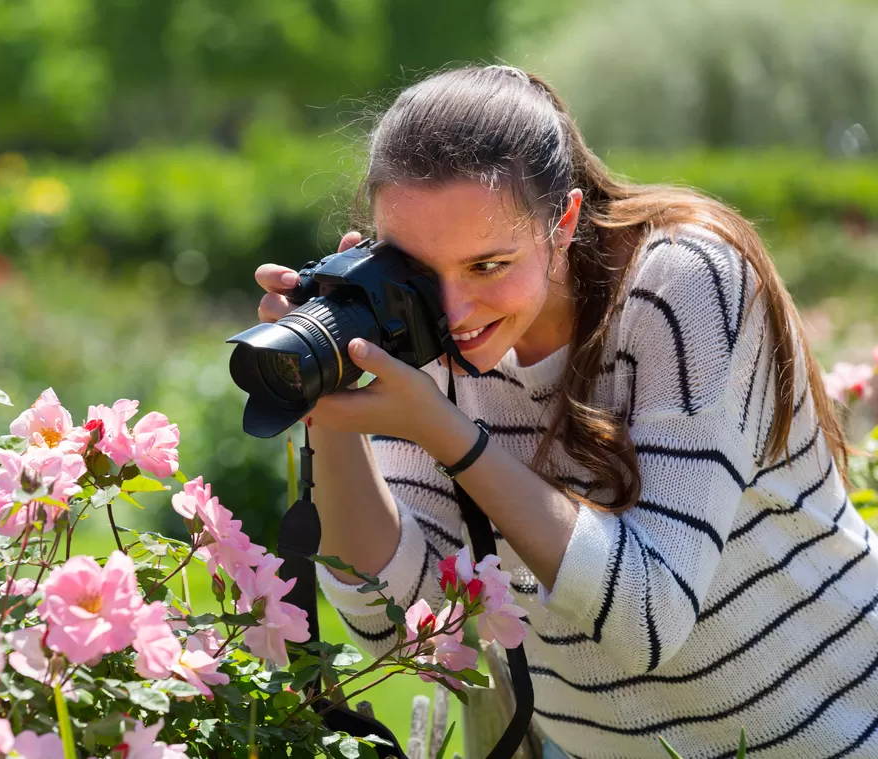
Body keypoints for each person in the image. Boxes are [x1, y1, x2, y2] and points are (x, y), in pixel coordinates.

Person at [254, 65, 878, 758]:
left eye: (488, 265)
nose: (455, 311)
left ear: (565, 223)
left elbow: (649, 615)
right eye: (422, 270)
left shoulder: (682, 282)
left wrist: (443, 430)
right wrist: (331, 398)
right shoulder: (415, 323)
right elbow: (396, 623)